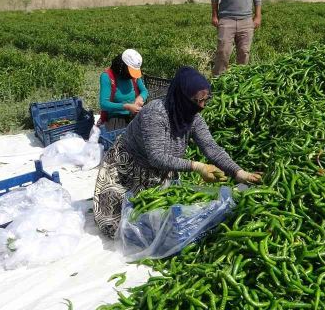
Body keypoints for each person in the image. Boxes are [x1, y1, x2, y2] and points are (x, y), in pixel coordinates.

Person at [93, 66, 262, 238]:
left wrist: (238, 172)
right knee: (119, 225)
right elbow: (156, 157)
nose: (202, 106)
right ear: (183, 97)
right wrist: (197, 166)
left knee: (159, 223)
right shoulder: (155, 113)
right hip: (128, 166)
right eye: (198, 101)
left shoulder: (192, 117)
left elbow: (211, 148)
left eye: (206, 100)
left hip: (159, 171)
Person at [98, 49, 148, 131]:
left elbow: (144, 91)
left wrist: (140, 98)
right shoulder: (107, 77)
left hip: (133, 115)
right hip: (116, 116)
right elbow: (104, 104)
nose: (132, 75)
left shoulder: (134, 77)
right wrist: (126, 107)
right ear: (122, 66)